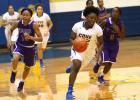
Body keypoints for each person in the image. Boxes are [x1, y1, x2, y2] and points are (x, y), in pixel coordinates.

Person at [66, 6, 103, 99]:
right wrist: (75, 44)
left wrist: (98, 55)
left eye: (95, 18)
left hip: (89, 53)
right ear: (86, 17)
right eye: (91, 17)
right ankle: (69, 92)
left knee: (77, 69)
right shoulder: (77, 25)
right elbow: (71, 38)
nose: (93, 20)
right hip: (77, 50)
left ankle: (72, 66)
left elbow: (102, 43)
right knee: (77, 64)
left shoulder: (98, 29)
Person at [8, 8, 42, 92]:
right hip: (19, 45)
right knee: (15, 58)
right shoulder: (18, 23)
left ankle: (22, 82)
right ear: (21, 15)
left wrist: (31, 37)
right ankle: (14, 72)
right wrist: (9, 39)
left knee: (27, 67)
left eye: (27, 15)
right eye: (23, 14)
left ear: (30, 16)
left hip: (30, 48)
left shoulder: (34, 25)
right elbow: (10, 30)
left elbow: (40, 38)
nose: (25, 16)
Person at [94, 7, 125, 84]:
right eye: (113, 11)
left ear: (119, 14)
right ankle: (98, 63)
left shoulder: (120, 23)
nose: (114, 13)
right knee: (106, 61)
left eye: (116, 12)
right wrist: (98, 42)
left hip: (114, 45)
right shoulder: (106, 21)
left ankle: (101, 76)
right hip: (105, 44)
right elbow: (97, 30)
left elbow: (122, 37)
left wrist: (118, 30)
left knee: (110, 63)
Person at [66, 0, 94, 73]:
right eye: (89, 3)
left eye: (91, 3)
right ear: (86, 5)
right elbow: (84, 21)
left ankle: (90, 60)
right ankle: (72, 65)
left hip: (92, 32)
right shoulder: (84, 12)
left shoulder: (95, 12)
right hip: (84, 31)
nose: (90, 4)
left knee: (91, 49)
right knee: (79, 50)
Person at [32, 4, 53, 68]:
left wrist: (47, 30)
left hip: (45, 34)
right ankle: (41, 62)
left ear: (42, 10)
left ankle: (35, 53)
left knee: (42, 49)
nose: (40, 10)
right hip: (37, 34)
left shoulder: (46, 16)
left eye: (41, 9)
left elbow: (51, 24)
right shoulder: (33, 16)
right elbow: (31, 25)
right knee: (39, 47)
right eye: (38, 9)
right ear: (36, 10)